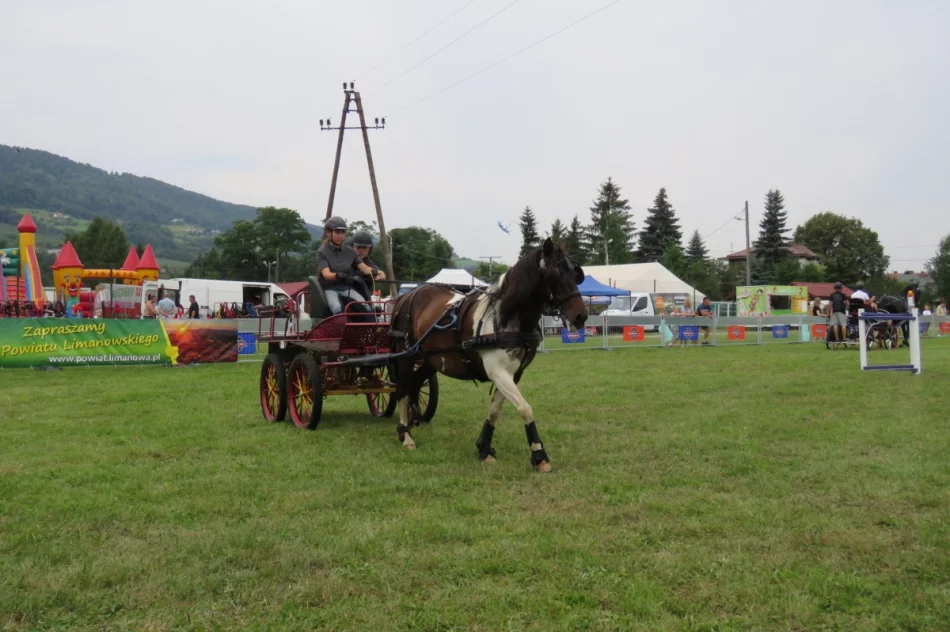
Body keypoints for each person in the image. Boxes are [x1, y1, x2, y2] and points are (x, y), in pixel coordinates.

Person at [316, 216, 385, 315]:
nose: (340, 235)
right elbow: (326, 274)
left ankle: (372, 328)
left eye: (343, 232)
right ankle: (341, 327)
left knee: (365, 306)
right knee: (337, 307)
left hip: (347, 288)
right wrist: (337, 275)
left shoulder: (350, 252)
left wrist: (377, 272)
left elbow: (364, 268)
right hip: (330, 288)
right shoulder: (322, 252)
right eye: (337, 232)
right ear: (328, 232)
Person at [349, 229, 382, 300]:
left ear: (369, 249)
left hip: (363, 301)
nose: (361, 250)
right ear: (352, 247)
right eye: (358, 247)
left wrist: (379, 274)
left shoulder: (371, 265)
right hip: (344, 299)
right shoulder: (345, 261)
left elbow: (378, 272)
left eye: (364, 247)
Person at [828, 281, 848, 349]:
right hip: (842, 312)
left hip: (834, 312)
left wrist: (830, 312)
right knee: (843, 325)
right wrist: (845, 306)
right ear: (841, 288)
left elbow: (830, 305)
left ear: (835, 288)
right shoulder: (843, 295)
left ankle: (837, 338)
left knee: (835, 325)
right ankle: (844, 338)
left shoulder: (832, 295)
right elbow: (847, 303)